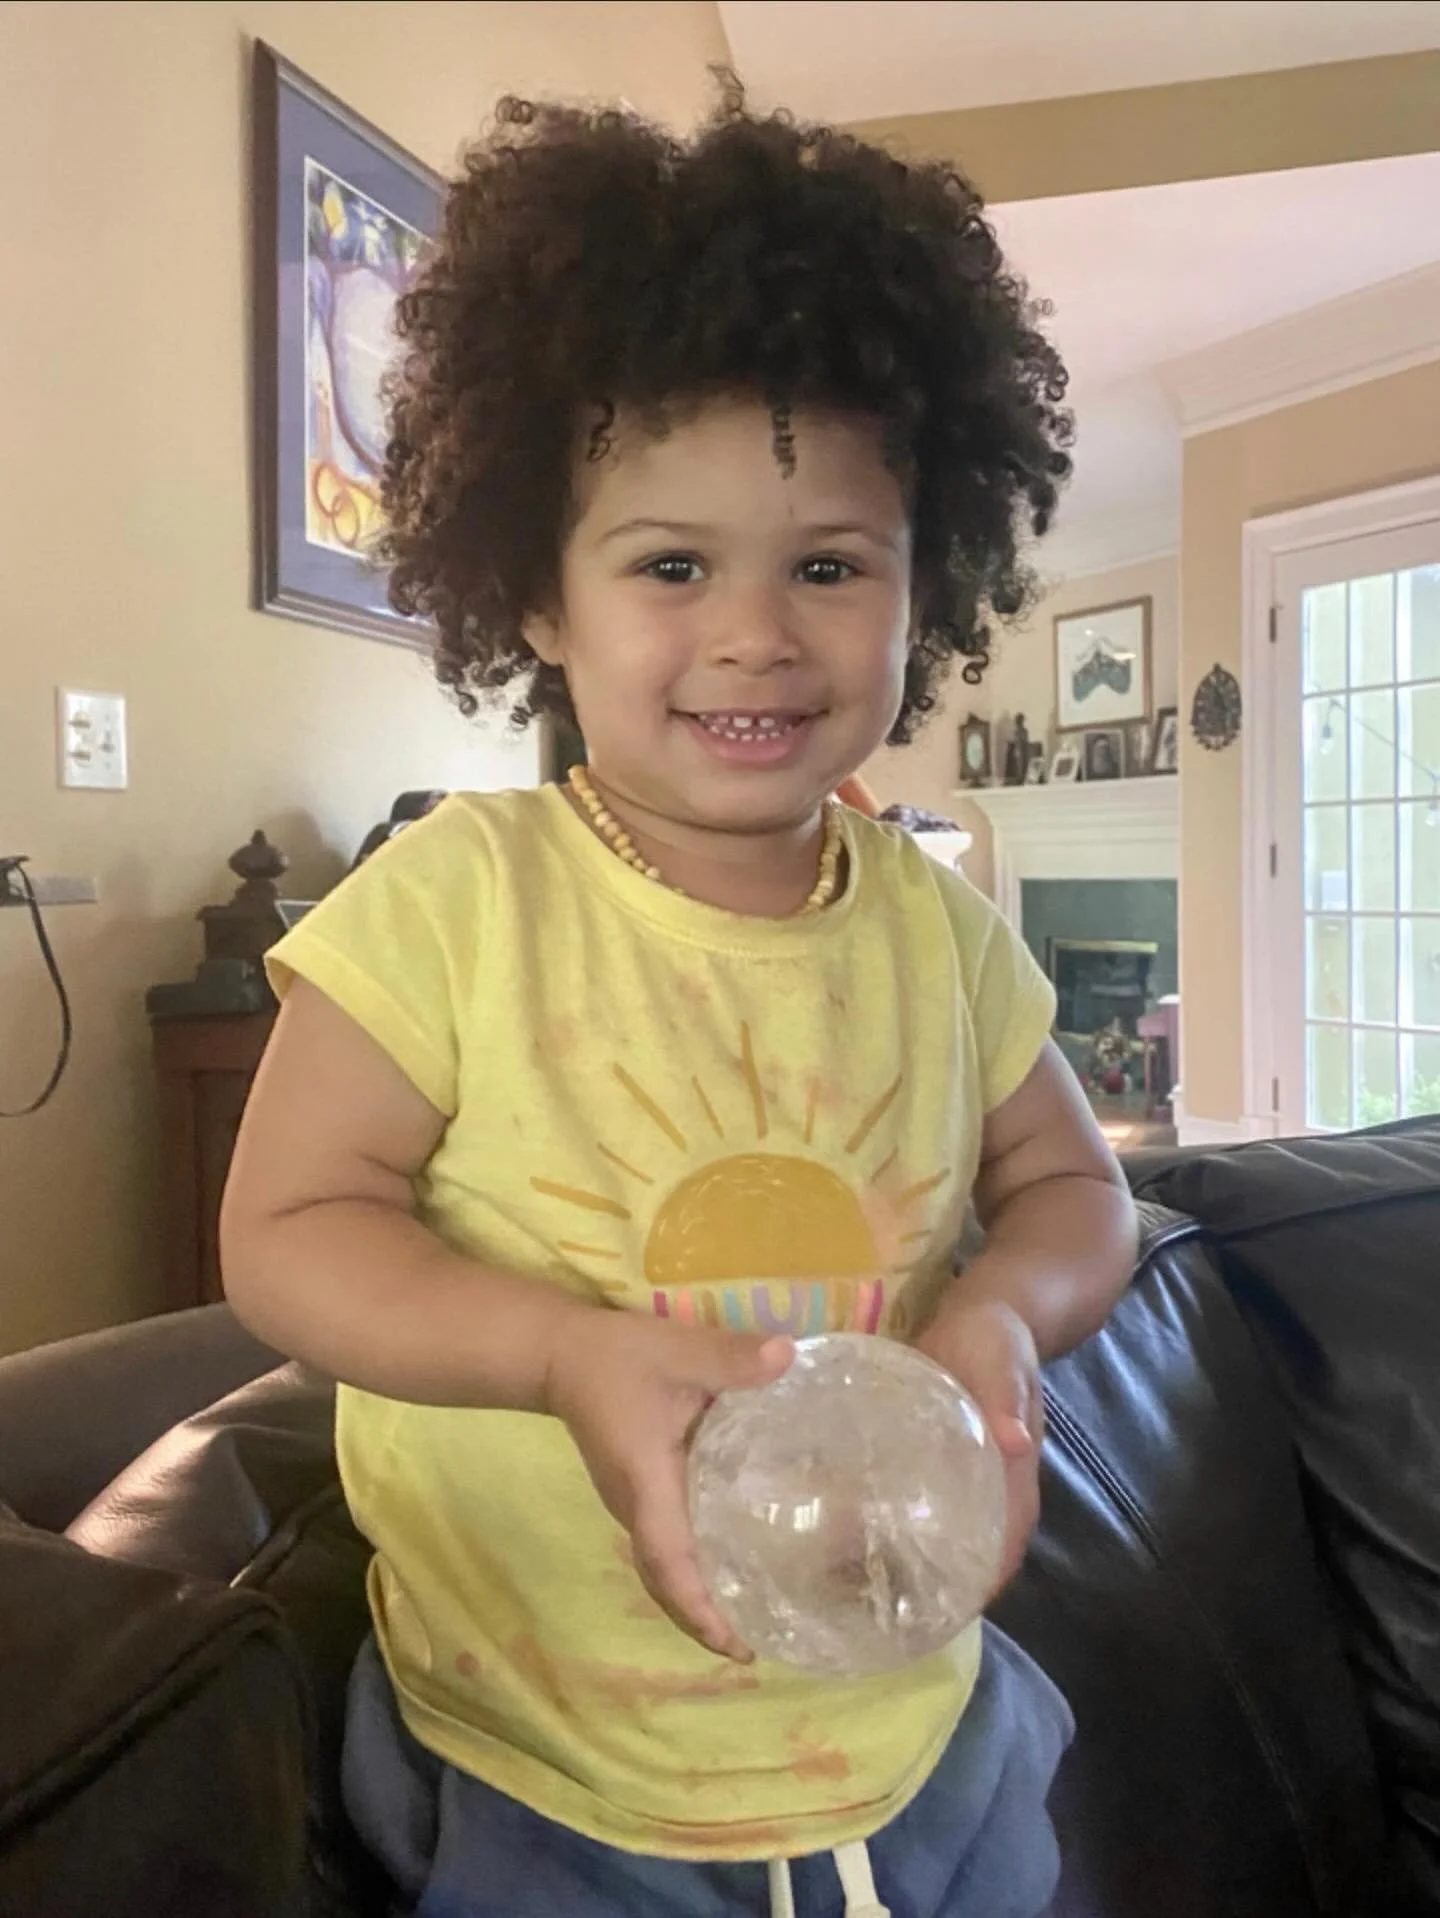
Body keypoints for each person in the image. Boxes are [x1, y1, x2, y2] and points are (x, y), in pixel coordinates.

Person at [221, 89, 1137, 1918]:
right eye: (667, 564)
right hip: (546, 1782)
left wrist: (1004, 1325)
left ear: (920, 582)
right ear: (537, 597)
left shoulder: (941, 933)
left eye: (828, 564)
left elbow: (1078, 1192)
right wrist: (562, 1353)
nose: (754, 633)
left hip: (928, 1750)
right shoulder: (459, 901)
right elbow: (284, 1232)